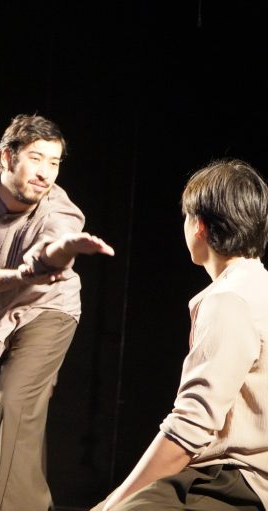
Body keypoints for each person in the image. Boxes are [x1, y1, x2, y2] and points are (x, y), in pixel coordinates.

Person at [0, 113, 114, 511]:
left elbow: (49, 250)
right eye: (36, 158)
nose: (45, 173)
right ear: (6, 157)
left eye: (54, 163)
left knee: (14, 401)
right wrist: (18, 275)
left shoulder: (62, 210)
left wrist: (57, 254)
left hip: (47, 309)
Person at [92, 159, 268, 511]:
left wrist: (113, 502)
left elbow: (190, 427)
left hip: (235, 480)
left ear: (199, 225)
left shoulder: (230, 299)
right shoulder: (257, 286)